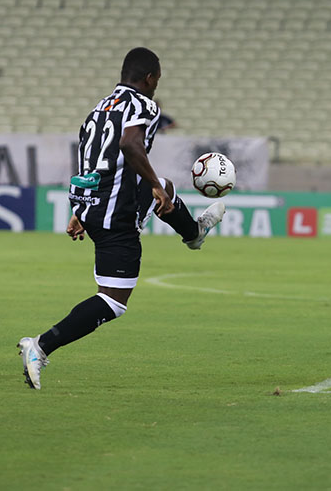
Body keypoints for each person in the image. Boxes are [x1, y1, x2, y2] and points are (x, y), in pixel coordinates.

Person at [16, 47, 225, 389]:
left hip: (94, 201)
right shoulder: (144, 105)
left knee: (164, 188)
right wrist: (153, 185)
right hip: (115, 211)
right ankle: (39, 345)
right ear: (149, 78)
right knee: (113, 299)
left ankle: (194, 233)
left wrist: (81, 208)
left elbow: (90, 155)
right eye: (157, 80)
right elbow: (130, 145)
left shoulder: (99, 108)